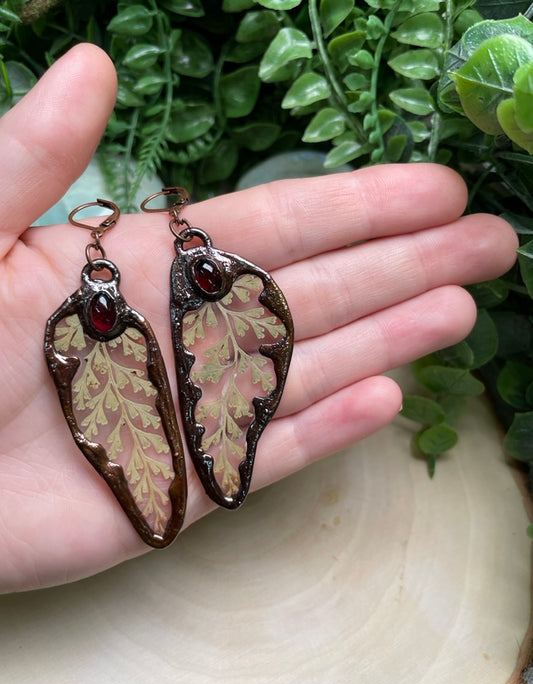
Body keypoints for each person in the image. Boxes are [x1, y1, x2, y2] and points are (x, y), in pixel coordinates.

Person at [0, 44, 518, 593]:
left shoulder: (222, 288)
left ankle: (220, 475)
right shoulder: (84, 329)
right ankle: (201, 485)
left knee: (219, 444)